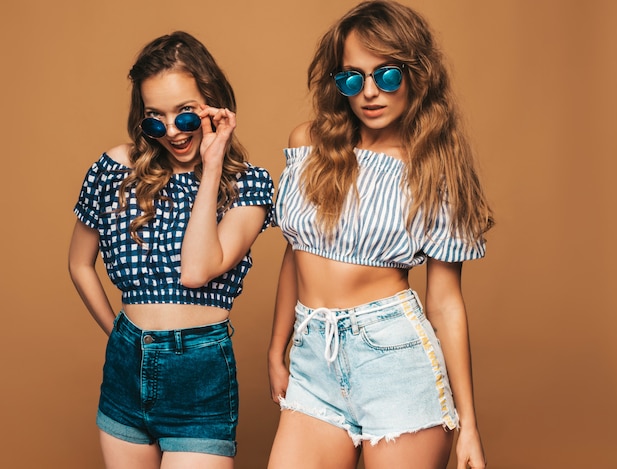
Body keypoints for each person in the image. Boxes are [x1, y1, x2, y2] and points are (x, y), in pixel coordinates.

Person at [267, 2, 493, 468]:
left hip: (395, 360)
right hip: (314, 360)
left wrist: (468, 422)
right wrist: (277, 346)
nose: (370, 92)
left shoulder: (433, 169)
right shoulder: (307, 144)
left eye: (386, 76)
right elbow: (297, 251)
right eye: (353, 78)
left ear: (416, 74)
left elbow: (445, 301)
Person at [68, 31, 274, 469]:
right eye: (154, 120)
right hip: (126, 365)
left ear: (214, 104)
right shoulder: (114, 168)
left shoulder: (249, 185)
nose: (172, 133)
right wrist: (120, 336)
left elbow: (197, 271)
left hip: (200, 375)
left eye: (186, 116)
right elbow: (79, 263)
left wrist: (213, 162)